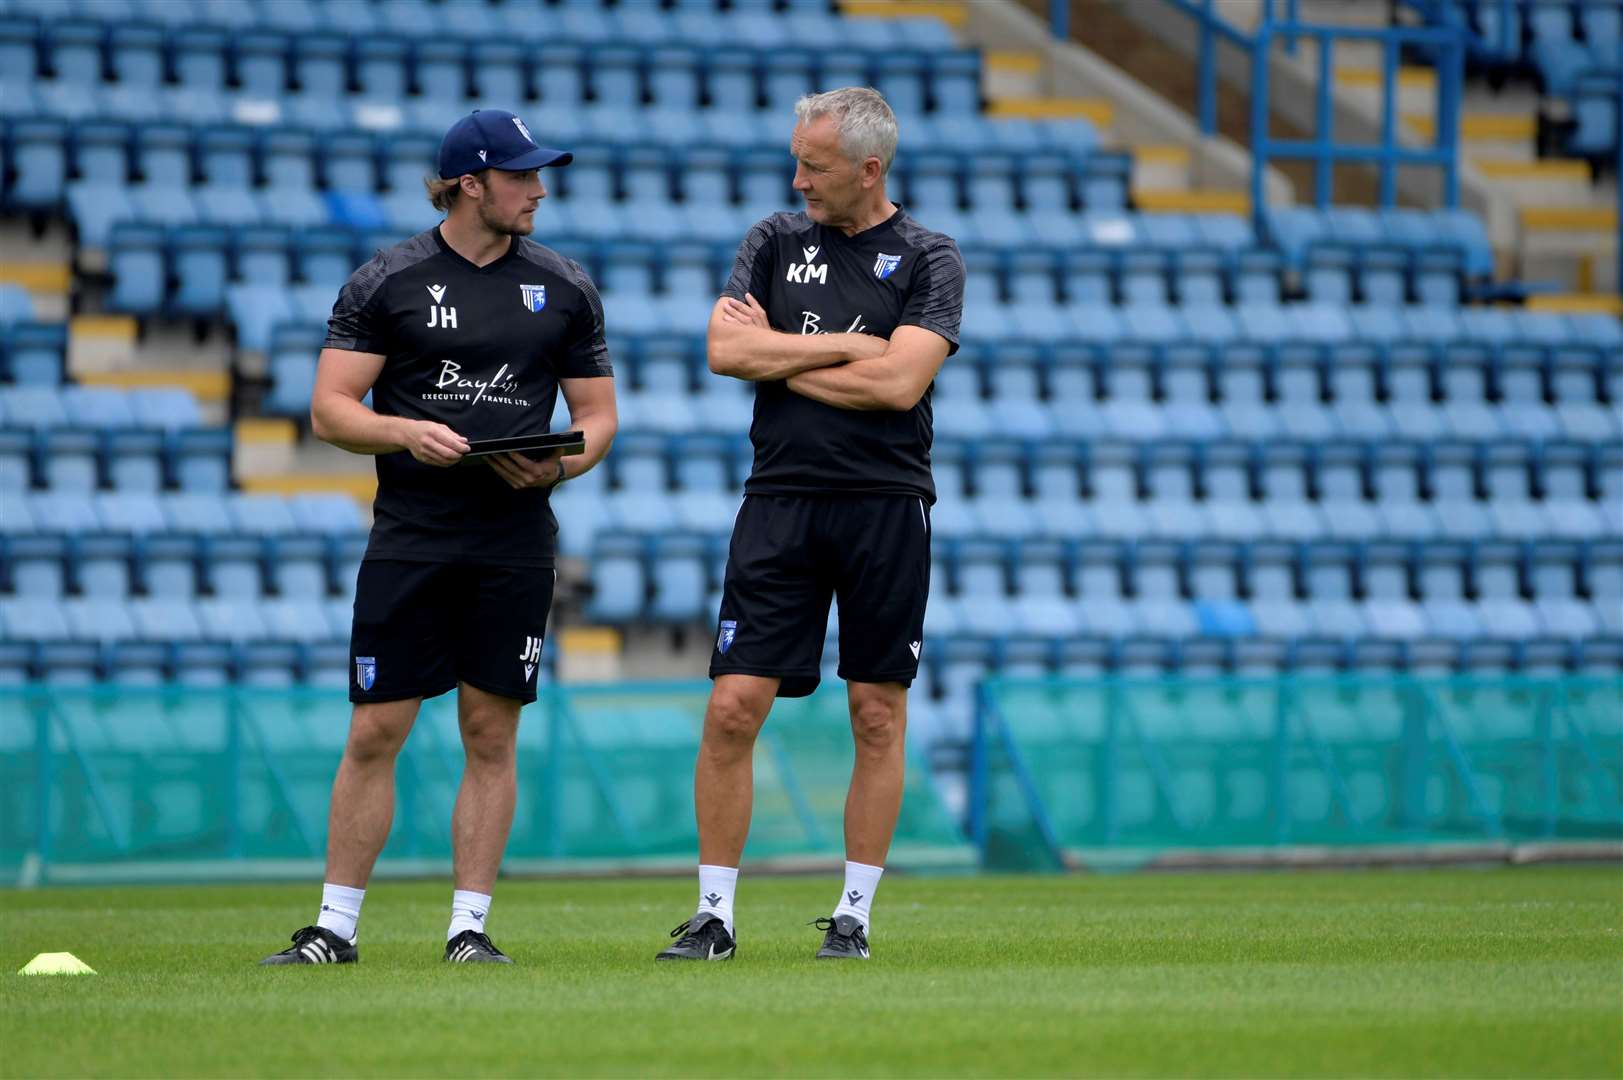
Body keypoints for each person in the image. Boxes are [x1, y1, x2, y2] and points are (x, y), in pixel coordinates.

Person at [260, 109, 617, 966]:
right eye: (523, 175)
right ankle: (334, 930)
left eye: (540, 175)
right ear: (470, 183)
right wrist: (405, 433)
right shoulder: (387, 279)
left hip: (516, 540)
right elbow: (330, 410)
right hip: (412, 537)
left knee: (490, 732)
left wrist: (559, 470)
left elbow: (598, 419)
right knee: (376, 729)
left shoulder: (565, 285)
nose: (538, 190)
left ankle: (469, 930)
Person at [655, 88, 964, 963]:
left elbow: (899, 387)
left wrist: (782, 355)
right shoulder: (771, 240)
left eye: (815, 167)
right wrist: (856, 346)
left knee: (875, 713)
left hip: (886, 505)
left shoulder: (931, 257)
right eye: (796, 161)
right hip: (778, 501)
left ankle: (854, 916)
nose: (798, 180)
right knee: (731, 707)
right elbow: (724, 352)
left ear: (870, 170)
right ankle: (714, 914)